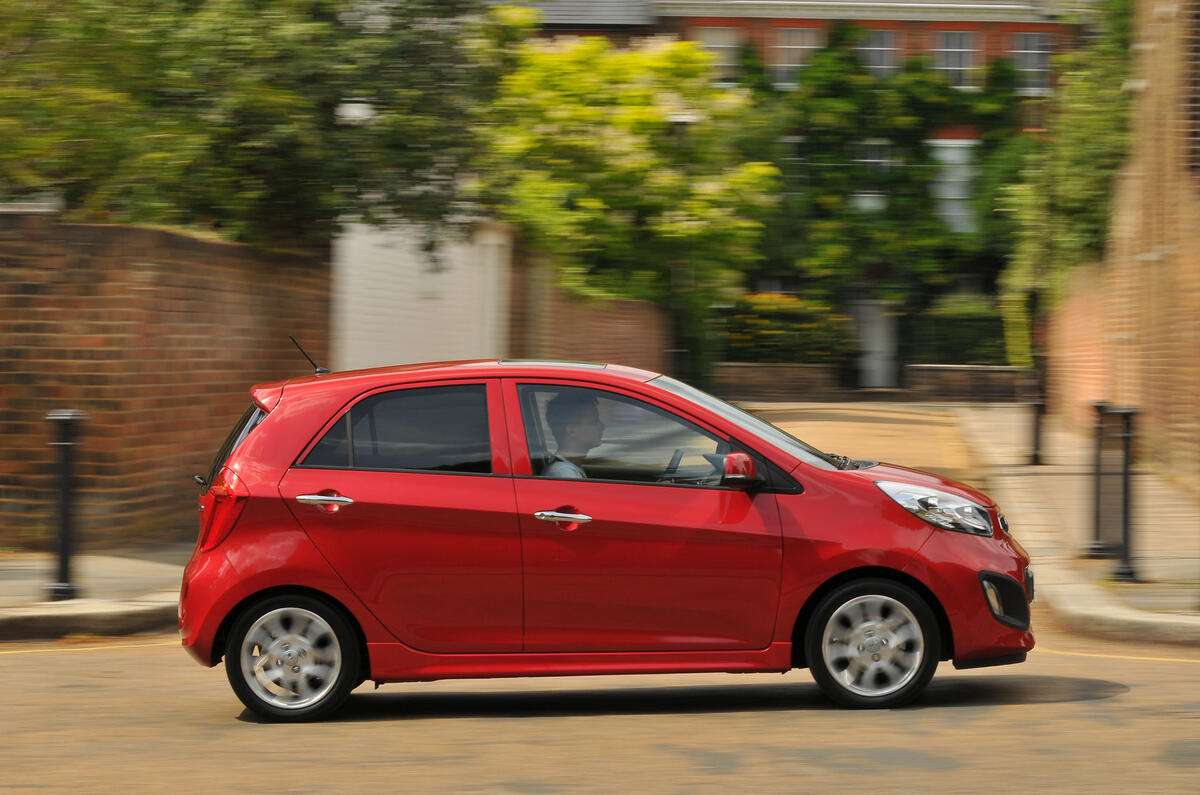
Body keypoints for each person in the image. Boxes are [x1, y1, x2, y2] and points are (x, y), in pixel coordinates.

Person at [543, 392, 604, 479]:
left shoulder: (568, 470)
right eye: (594, 421)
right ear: (572, 430)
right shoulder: (565, 475)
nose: (602, 426)